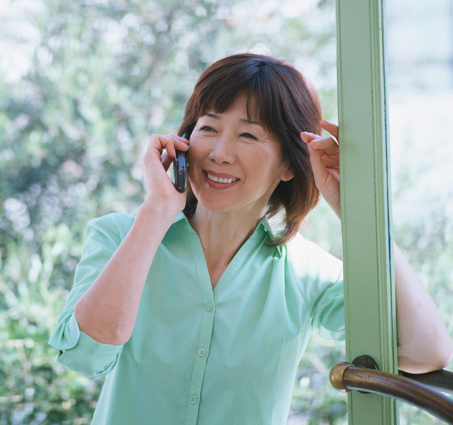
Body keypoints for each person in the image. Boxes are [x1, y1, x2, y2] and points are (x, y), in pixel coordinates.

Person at [49, 53, 453, 425]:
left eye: (248, 136)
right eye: (208, 128)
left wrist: (356, 210)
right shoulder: (120, 236)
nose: (220, 153)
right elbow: (86, 355)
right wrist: (156, 212)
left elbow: (426, 353)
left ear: (289, 166)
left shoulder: (308, 272)